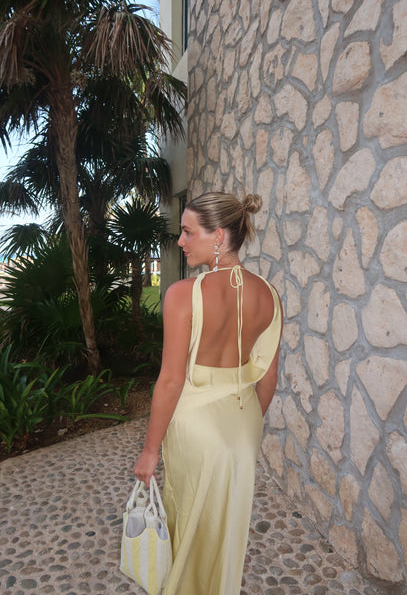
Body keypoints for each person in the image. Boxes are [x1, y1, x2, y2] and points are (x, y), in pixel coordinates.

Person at [133, 191, 283, 595]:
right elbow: (268, 377)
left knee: (187, 516)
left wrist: (150, 451)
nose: (180, 241)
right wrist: (243, 425)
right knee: (225, 525)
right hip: (244, 427)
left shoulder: (183, 294)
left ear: (218, 236)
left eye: (188, 232)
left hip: (197, 429)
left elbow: (170, 381)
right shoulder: (270, 294)